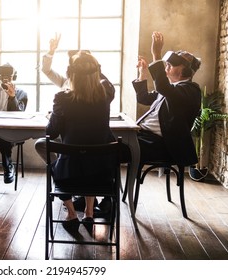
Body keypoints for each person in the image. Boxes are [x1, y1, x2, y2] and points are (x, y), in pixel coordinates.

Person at [36, 33, 117, 215]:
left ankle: (71, 213)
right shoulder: (106, 94)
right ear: (97, 71)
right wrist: (91, 63)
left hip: (69, 176)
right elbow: (106, 83)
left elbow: (51, 132)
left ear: (70, 73)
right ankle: (89, 211)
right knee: (90, 154)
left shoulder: (62, 99)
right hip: (102, 175)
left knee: (45, 146)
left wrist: (55, 116)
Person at [133, 31, 201, 167]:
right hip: (145, 137)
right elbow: (143, 98)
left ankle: (109, 185)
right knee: (113, 138)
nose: (168, 65)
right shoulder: (172, 89)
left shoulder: (190, 90)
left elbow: (163, 88)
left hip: (162, 145)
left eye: (175, 63)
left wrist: (156, 55)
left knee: (114, 146)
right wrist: (143, 73)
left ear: (186, 71)